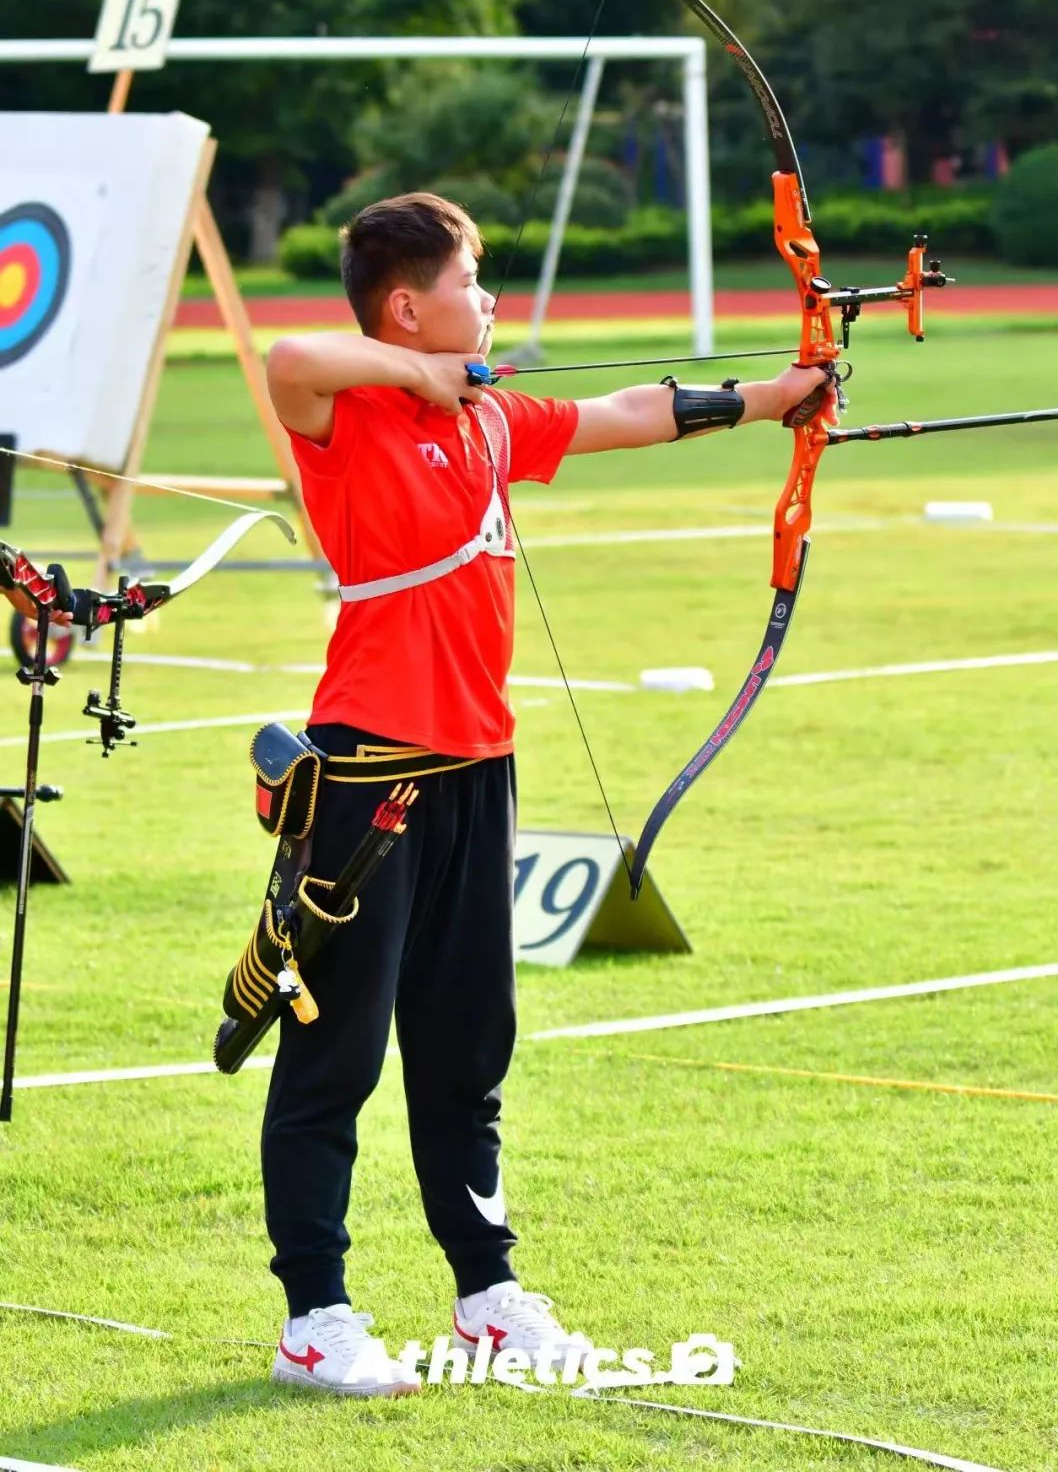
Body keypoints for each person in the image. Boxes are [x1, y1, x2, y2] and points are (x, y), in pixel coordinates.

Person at [263, 191, 829, 1397]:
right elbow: (288, 354)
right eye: (474, 282)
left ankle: (489, 1295)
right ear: (409, 304)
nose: (492, 304)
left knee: (468, 1044)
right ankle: (316, 1315)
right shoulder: (349, 414)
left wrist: (777, 397)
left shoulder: (487, 422)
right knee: (337, 1051)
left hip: (477, 764)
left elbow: (625, 409)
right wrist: (417, 378)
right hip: (371, 771)